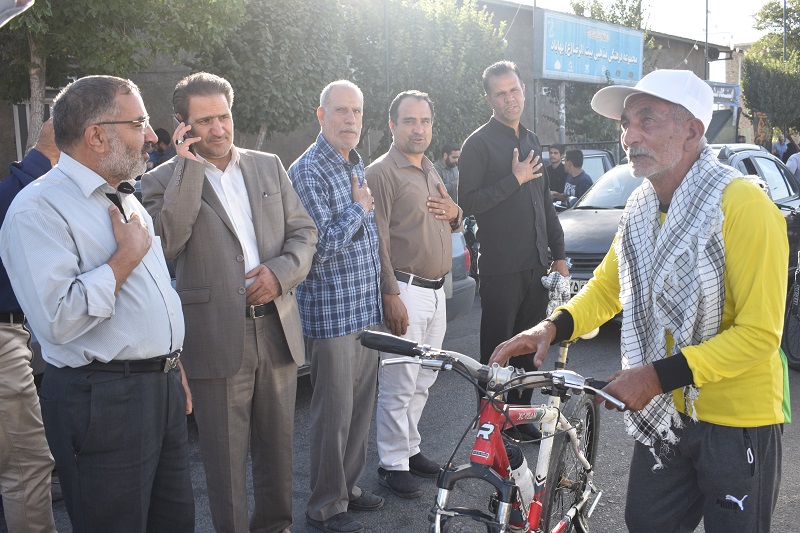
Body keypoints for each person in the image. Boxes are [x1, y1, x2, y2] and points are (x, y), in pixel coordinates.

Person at [490, 69, 789, 533]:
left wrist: (653, 376)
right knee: (647, 522)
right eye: (626, 124)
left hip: (738, 419)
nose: (629, 136)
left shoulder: (744, 206)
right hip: (666, 414)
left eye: (646, 120)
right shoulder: (640, 207)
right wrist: (552, 326)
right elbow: (608, 288)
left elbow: (759, 335)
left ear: (692, 130)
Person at [0, 75, 194, 533]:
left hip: (160, 387)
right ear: (97, 136)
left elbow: (149, 297)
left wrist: (171, 361)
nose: (151, 136)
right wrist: (124, 258)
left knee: (174, 522)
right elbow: (57, 320)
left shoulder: (125, 194)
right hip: (103, 398)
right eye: (139, 123)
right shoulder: (37, 209)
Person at [142, 72, 317, 533]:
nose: (218, 129)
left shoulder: (268, 165)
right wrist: (188, 167)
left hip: (276, 327)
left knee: (278, 451)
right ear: (181, 124)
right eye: (204, 121)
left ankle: (275, 527)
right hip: (215, 336)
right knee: (224, 462)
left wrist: (280, 274)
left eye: (224, 116)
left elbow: (304, 232)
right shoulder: (160, 180)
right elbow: (168, 244)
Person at [289, 80, 383, 533]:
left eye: (357, 111)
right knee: (333, 416)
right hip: (332, 316)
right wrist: (359, 209)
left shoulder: (354, 163)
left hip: (364, 310)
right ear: (321, 114)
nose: (350, 119)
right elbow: (318, 248)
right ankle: (326, 505)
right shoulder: (308, 170)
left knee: (360, 409)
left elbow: (368, 240)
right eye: (341, 110)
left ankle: (348, 487)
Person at [458, 61, 568, 439]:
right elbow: (467, 202)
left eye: (514, 90)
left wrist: (559, 254)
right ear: (488, 99)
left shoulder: (532, 139)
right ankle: (491, 426)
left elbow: (544, 204)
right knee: (497, 353)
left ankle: (518, 420)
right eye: (501, 93)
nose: (510, 98)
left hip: (536, 266)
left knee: (528, 349)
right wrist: (514, 179)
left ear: (524, 91)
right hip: (501, 269)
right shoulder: (478, 144)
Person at [368, 91, 462, 499]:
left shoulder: (430, 168)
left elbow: (450, 218)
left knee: (424, 378)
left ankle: (409, 449)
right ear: (392, 125)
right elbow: (377, 239)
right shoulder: (381, 172)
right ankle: (391, 464)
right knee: (399, 382)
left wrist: (456, 214)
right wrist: (390, 293)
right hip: (405, 290)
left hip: (437, 292)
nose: (418, 129)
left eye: (424, 121)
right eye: (409, 120)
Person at [0, 119, 58, 533]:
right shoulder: (34, 195)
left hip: (12, 333)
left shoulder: (18, 189)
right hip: (3, 338)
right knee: (27, 468)